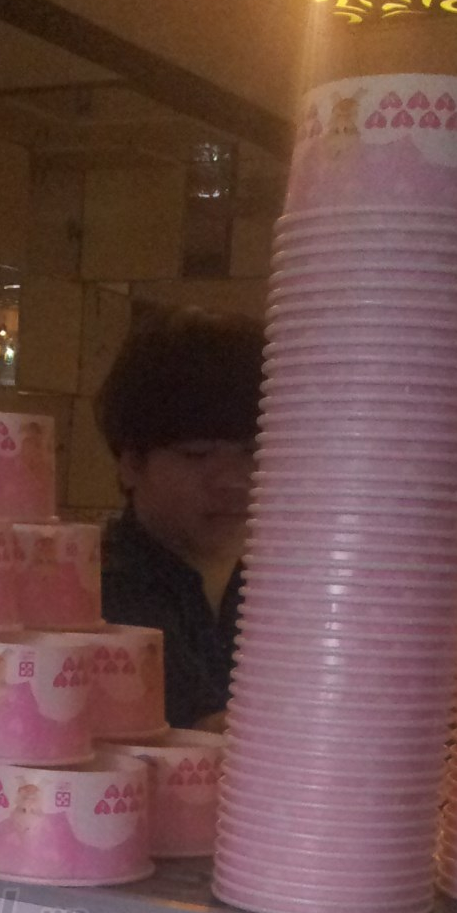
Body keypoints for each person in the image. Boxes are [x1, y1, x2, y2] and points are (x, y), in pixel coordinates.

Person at [95, 308, 262, 728]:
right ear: (131, 464)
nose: (233, 481)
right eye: (197, 454)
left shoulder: (268, 590)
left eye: (253, 452)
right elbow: (207, 737)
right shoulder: (104, 593)